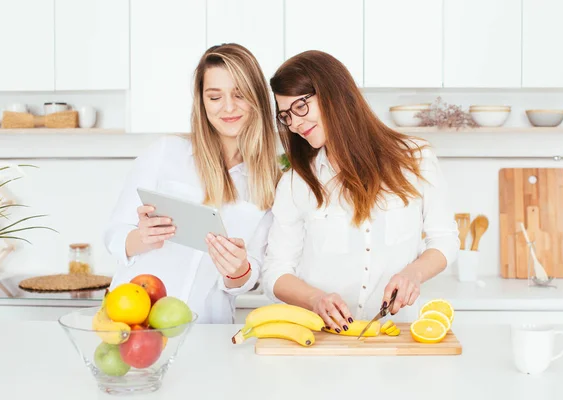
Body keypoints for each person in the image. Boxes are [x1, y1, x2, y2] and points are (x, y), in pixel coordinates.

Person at [261, 50, 459, 332]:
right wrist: (315, 299)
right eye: (286, 116)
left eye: (301, 107)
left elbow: (445, 240)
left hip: (395, 338)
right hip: (321, 340)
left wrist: (412, 274)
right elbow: (275, 271)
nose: (294, 124)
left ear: (334, 93)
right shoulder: (296, 183)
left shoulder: (416, 159)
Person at [104, 43, 281, 323]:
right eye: (215, 97)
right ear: (201, 102)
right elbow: (114, 235)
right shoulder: (165, 153)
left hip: (207, 328)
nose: (229, 107)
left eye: (240, 94)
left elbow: (250, 277)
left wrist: (238, 270)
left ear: (257, 97)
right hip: (135, 321)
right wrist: (142, 238)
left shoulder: (270, 183)